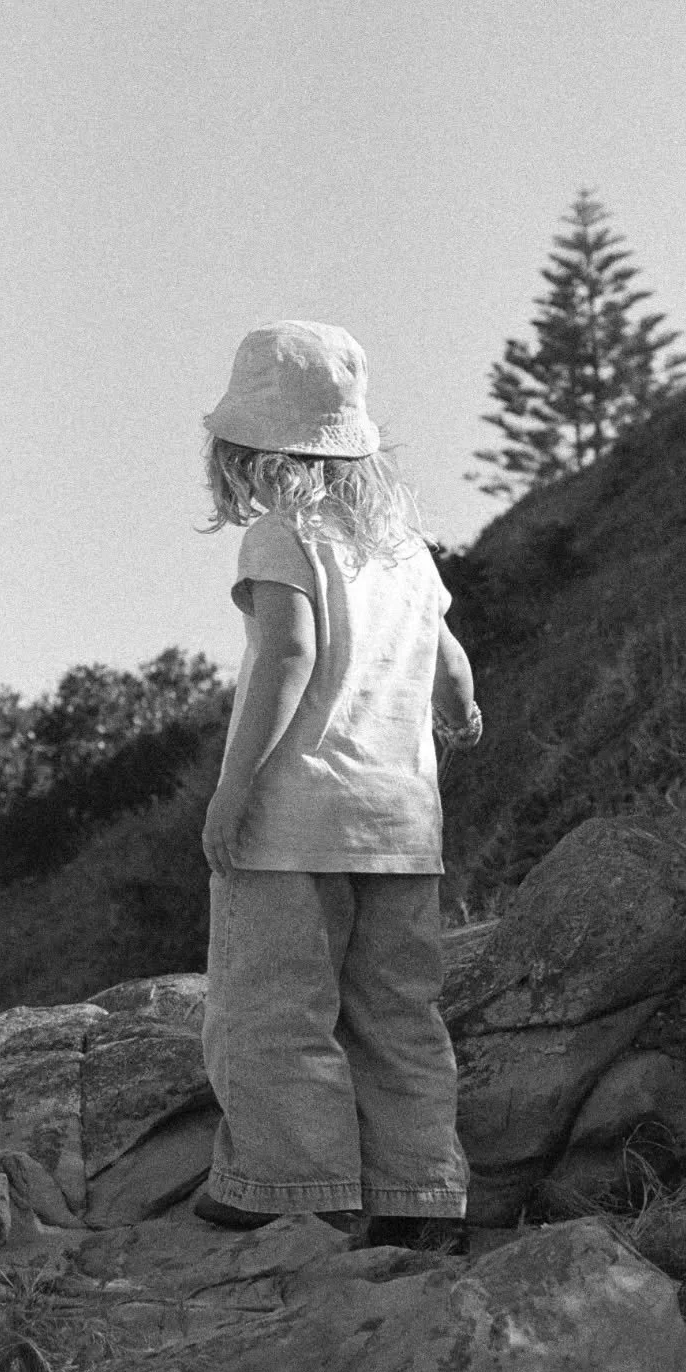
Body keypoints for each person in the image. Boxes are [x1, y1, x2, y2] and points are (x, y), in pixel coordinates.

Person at [195, 319, 483, 1252]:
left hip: (296, 823)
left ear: (248, 451)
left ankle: (294, 1190)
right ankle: (420, 1196)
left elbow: (289, 652)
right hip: (402, 826)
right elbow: (452, 663)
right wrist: (460, 711)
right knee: (398, 1011)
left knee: (279, 1011)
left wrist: (233, 790)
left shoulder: (284, 539)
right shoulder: (405, 548)